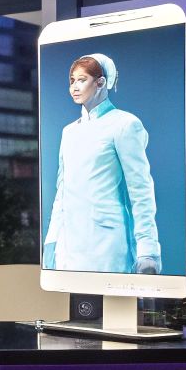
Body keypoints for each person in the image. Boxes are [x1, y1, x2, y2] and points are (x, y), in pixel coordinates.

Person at [43, 53, 161, 275]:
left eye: (81, 79)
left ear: (101, 82)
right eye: (71, 80)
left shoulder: (124, 124)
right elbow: (62, 192)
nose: (74, 87)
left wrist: (148, 251)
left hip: (107, 246)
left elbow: (140, 190)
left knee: (113, 309)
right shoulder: (69, 132)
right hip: (68, 247)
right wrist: (51, 242)